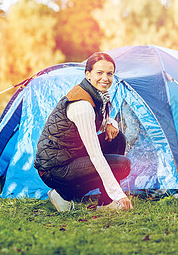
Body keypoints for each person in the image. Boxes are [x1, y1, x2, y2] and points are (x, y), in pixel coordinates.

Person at [34, 52, 133, 212]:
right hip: (54, 168)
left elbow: (99, 121)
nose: (105, 78)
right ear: (88, 74)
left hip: (70, 155)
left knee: (117, 138)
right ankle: (63, 193)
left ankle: (105, 203)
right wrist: (118, 194)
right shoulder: (82, 105)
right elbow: (95, 155)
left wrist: (111, 122)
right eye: (99, 73)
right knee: (122, 165)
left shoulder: (95, 95)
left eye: (109, 73)